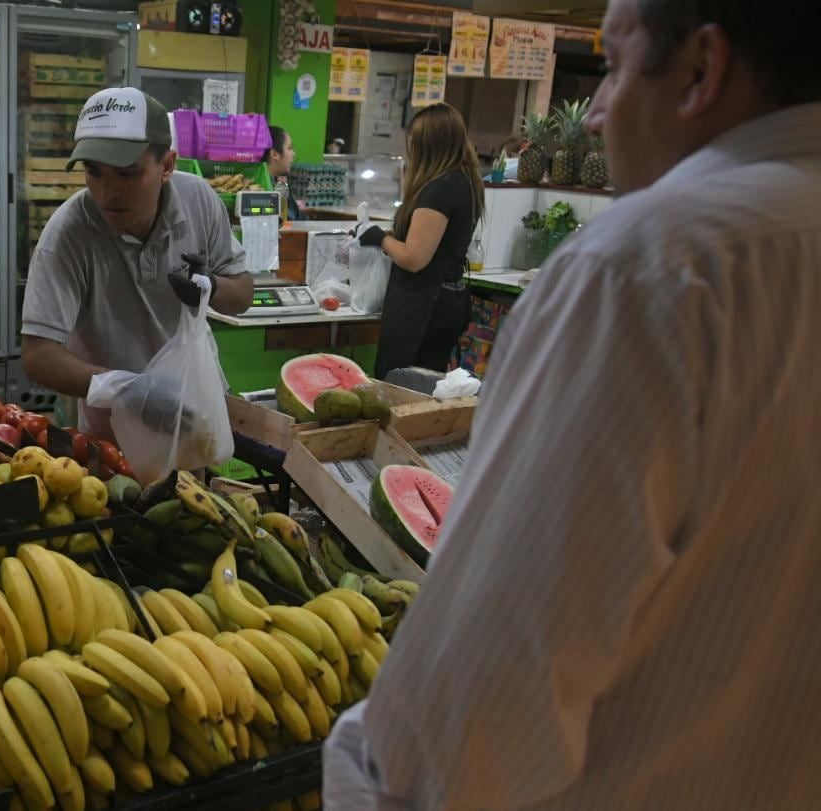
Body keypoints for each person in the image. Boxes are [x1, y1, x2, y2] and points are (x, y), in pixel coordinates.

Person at [324, 0, 821, 808]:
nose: (591, 116)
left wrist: (365, 764)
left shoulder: (646, 269)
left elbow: (468, 722)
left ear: (701, 70)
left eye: (615, 67)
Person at [20, 87, 253, 441]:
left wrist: (211, 286)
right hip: (112, 433)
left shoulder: (199, 202)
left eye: (127, 173)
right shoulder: (69, 234)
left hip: (195, 411)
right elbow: (39, 354)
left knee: (196, 493)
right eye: (94, 172)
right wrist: (130, 392)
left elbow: (243, 295)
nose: (108, 192)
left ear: (167, 165)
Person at [354, 103, 483, 378]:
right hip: (446, 299)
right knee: (424, 391)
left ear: (429, 146)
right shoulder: (464, 181)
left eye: (413, 143)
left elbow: (414, 258)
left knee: (403, 389)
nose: (409, 151)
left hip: (425, 308)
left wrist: (379, 238)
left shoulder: (440, 188)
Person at [262, 126, 303, 221]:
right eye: (289, 148)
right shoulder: (262, 189)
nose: (293, 154)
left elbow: (296, 217)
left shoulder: (280, 184)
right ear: (275, 154)